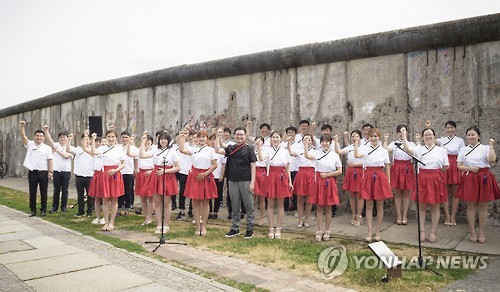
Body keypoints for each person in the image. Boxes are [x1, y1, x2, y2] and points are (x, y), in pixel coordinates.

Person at [402, 127, 449, 243]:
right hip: (422, 178)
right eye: (426, 135)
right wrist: (404, 135)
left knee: (435, 206)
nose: (428, 136)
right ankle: (422, 230)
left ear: (434, 136)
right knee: (422, 206)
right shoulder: (419, 149)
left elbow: (446, 166)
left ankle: (433, 231)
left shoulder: (442, 150)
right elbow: (408, 148)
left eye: (430, 134)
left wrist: (435, 174)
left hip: (436, 178)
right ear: (423, 137)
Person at [456, 126, 499, 243]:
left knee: (483, 206)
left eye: (473, 134)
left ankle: (481, 232)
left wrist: (491, 146)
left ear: (478, 136)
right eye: (469, 135)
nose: (471, 137)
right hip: (470, 177)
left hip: (483, 177)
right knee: (470, 206)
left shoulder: (485, 148)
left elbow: (492, 159)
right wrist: (470, 168)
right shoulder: (463, 150)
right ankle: (472, 231)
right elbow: (459, 166)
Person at [215, 126, 257, 239]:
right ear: (234, 135)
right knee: (235, 205)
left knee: (249, 205)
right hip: (232, 180)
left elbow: (253, 166)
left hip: (246, 180)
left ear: (245, 136)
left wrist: (252, 182)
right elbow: (218, 149)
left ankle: (250, 228)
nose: (239, 136)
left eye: (241, 135)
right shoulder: (231, 148)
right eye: (237, 134)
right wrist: (218, 136)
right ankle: (235, 227)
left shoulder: (249, 149)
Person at [354, 128, 393, 242]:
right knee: (369, 204)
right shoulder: (365, 149)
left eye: (375, 136)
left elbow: (387, 166)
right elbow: (356, 155)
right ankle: (369, 230)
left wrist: (389, 182)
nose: (373, 138)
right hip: (368, 176)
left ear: (379, 137)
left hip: (380, 176)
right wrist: (356, 143)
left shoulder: (383, 150)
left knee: (380, 205)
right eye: (371, 136)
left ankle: (377, 230)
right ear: (369, 137)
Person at [304, 134, 342, 241]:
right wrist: (306, 145)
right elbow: (307, 156)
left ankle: (327, 229)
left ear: (330, 143)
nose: (325, 143)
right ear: (320, 142)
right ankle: (320, 229)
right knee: (319, 207)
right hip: (319, 181)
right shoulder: (317, 153)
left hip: (329, 181)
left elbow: (339, 171)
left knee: (328, 207)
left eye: (327, 141)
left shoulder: (335, 155)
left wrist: (328, 175)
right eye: (323, 141)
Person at [140, 131, 180, 233]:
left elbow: (178, 167)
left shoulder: (172, 152)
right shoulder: (155, 150)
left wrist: (165, 171)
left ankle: (166, 225)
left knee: (166, 203)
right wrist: (142, 141)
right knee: (157, 202)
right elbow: (142, 155)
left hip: (167, 177)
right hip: (156, 177)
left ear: (168, 140)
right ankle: (159, 224)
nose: (163, 141)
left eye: (165, 139)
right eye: (161, 139)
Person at [180, 130, 217, 236]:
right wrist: (183, 137)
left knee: (205, 202)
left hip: (206, 175)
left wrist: (205, 174)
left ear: (207, 139)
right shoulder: (194, 149)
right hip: (195, 176)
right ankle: (197, 225)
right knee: (195, 202)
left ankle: (204, 225)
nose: (201, 139)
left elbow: (214, 165)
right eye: (199, 137)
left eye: (203, 137)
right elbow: (182, 150)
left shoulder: (210, 150)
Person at [258, 130, 293, 239]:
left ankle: (278, 227)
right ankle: (270, 227)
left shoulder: (285, 151)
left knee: (281, 204)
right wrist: (259, 147)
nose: (275, 139)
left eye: (277, 137)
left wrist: (290, 181)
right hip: (271, 175)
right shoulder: (268, 150)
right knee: (270, 203)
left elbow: (287, 167)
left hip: (282, 176)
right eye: (273, 137)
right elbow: (261, 159)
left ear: (281, 138)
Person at [90, 130, 125, 231]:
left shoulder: (119, 149)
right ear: (106, 137)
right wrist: (92, 139)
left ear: (116, 138)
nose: (111, 138)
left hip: (114, 174)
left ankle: (112, 222)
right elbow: (93, 152)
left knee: (114, 200)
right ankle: (105, 222)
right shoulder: (102, 148)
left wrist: (116, 170)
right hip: (104, 174)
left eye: (113, 137)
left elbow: (123, 163)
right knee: (105, 200)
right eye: (109, 136)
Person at [383, 125, 416, 225]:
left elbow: (412, 151)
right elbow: (385, 150)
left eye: (403, 131)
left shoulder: (411, 143)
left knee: (406, 195)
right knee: (397, 195)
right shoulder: (394, 143)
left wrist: (405, 137)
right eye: (400, 131)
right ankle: (398, 215)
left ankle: (405, 215)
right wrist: (385, 140)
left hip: (407, 167)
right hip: (396, 167)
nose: (401, 133)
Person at [20, 121, 53, 217]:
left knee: (44, 192)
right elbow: (23, 137)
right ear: (34, 136)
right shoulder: (30, 144)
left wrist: (50, 171)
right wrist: (22, 127)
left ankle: (43, 210)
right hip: (33, 172)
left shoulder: (47, 148)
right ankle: (33, 210)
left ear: (43, 137)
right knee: (32, 192)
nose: (39, 137)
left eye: (41, 136)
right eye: (37, 136)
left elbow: (50, 160)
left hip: (43, 172)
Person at [437, 121, 465, 226]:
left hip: (456, 164)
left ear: (455, 129)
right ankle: (447, 215)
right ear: (445, 129)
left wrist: (462, 170)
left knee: (455, 192)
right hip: (445, 163)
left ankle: (453, 216)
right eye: (448, 128)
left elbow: (463, 154)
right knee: (444, 191)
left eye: (452, 128)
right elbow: (433, 141)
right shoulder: (442, 140)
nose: (450, 130)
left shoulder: (460, 140)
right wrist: (428, 127)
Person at [334, 130, 364, 226]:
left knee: (359, 194)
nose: (354, 138)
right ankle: (354, 214)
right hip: (351, 172)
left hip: (360, 171)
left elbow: (366, 161)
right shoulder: (350, 147)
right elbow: (338, 151)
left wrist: (356, 164)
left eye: (356, 136)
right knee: (352, 194)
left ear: (360, 138)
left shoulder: (364, 147)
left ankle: (359, 215)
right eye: (353, 136)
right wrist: (336, 141)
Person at [43, 125, 73, 213]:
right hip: (57, 170)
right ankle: (54, 207)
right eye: (61, 137)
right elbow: (49, 140)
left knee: (65, 190)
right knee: (56, 190)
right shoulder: (56, 145)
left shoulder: (70, 147)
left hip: (66, 171)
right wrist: (46, 131)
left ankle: (64, 207)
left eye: (64, 137)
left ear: (67, 138)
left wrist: (57, 151)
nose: (62, 139)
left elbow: (66, 156)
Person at [289, 133, 315, 228]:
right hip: (301, 173)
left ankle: (307, 219)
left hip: (310, 174)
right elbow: (290, 152)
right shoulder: (299, 151)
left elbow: (308, 156)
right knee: (300, 198)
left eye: (309, 139)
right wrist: (288, 143)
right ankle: (300, 219)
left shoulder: (315, 151)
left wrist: (306, 147)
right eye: (305, 139)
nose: (307, 141)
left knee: (309, 199)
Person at [129, 133, 154, 226]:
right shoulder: (139, 150)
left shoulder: (154, 150)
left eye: (148, 140)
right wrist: (130, 143)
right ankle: (146, 216)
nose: (147, 142)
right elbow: (129, 154)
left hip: (151, 174)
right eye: (145, 140)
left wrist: (151, 171)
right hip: (141, 174)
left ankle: (150, 217)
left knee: (151, 198)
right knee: (143, 198)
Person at [70, 131, 95, 217]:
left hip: (90, 176)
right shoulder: (77, 150)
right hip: (79, 176)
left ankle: (90, 211)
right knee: (80, 195)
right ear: (81, 141)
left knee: (90, 195)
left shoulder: (93, 150)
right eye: (84, 140)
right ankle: (81, 211)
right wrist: (69, 140)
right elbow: (68, 150)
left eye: (88, 140)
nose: (86, 141)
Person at [119, 131, 138, 215]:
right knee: (119, 191)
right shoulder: (118, 147)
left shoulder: (133, 148)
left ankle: (128, 206)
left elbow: (136, 159)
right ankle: (119, 206)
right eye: (123, 137)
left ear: (129, 138)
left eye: (126, 137)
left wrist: (136, 169)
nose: (125, 139)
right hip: (119, 172)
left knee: (128, 191)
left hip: (129, 171)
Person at [208, 134, 226, 220]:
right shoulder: (207, 150)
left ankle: (215, 211)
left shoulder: (221, 151)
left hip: (218, 175)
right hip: (209, 175)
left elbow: (223, 164)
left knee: (218, 195)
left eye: (215, 140)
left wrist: (222, 175)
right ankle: (209, 211)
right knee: (209, 195)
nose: (213, 141)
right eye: (212, 139)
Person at [253, 136, 268, 226]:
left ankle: (261, 218)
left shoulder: (265, 151)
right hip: (253, 171)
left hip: (261, 172)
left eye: (260, 141)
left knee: (262, 198)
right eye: (257, 141)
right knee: (252, 197)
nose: (258, 142)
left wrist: (259, 148)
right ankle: (252, 216)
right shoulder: (251, 151)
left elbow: (261, 158)